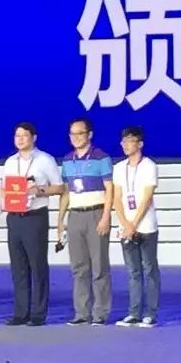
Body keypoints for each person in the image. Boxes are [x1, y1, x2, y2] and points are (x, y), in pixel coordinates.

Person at [1, 122, 63, 326]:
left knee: (37, 265)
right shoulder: (10, 162)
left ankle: (38, 313)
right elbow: (5, 187)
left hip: (35, 216)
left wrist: (39, 190)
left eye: (24, 135)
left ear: (34, 138)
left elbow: (59, 188)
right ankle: (21, 312)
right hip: (14, 216)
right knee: (18, 266)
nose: (20, 139)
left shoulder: (45, 160)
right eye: (17, 135)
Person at [57, 116, 114, 326]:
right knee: (78, 267)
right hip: (75, 215)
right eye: (72, 134)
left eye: (80, 133)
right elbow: (66, 192)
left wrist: (106, 216)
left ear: (89, 134)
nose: (76, 137)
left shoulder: (101, 158)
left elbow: (110, 189)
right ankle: (82, 313)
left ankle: (100, 313)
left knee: (99, 266)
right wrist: (60, 219)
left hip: (96, 214)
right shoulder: (67, 160)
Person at [112, 126, 160, 327]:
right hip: (126, 227)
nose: (125, 145)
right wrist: (125, 224)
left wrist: (134, 224)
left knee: (149, 269)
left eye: (130, 141)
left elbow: (147, 198)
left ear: (140, 144)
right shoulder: (119, 168)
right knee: (133, 271)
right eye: (123, 141)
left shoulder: (149, 166)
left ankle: (150, 313)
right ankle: (134, 312)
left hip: (145, 225)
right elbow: (117, 198)